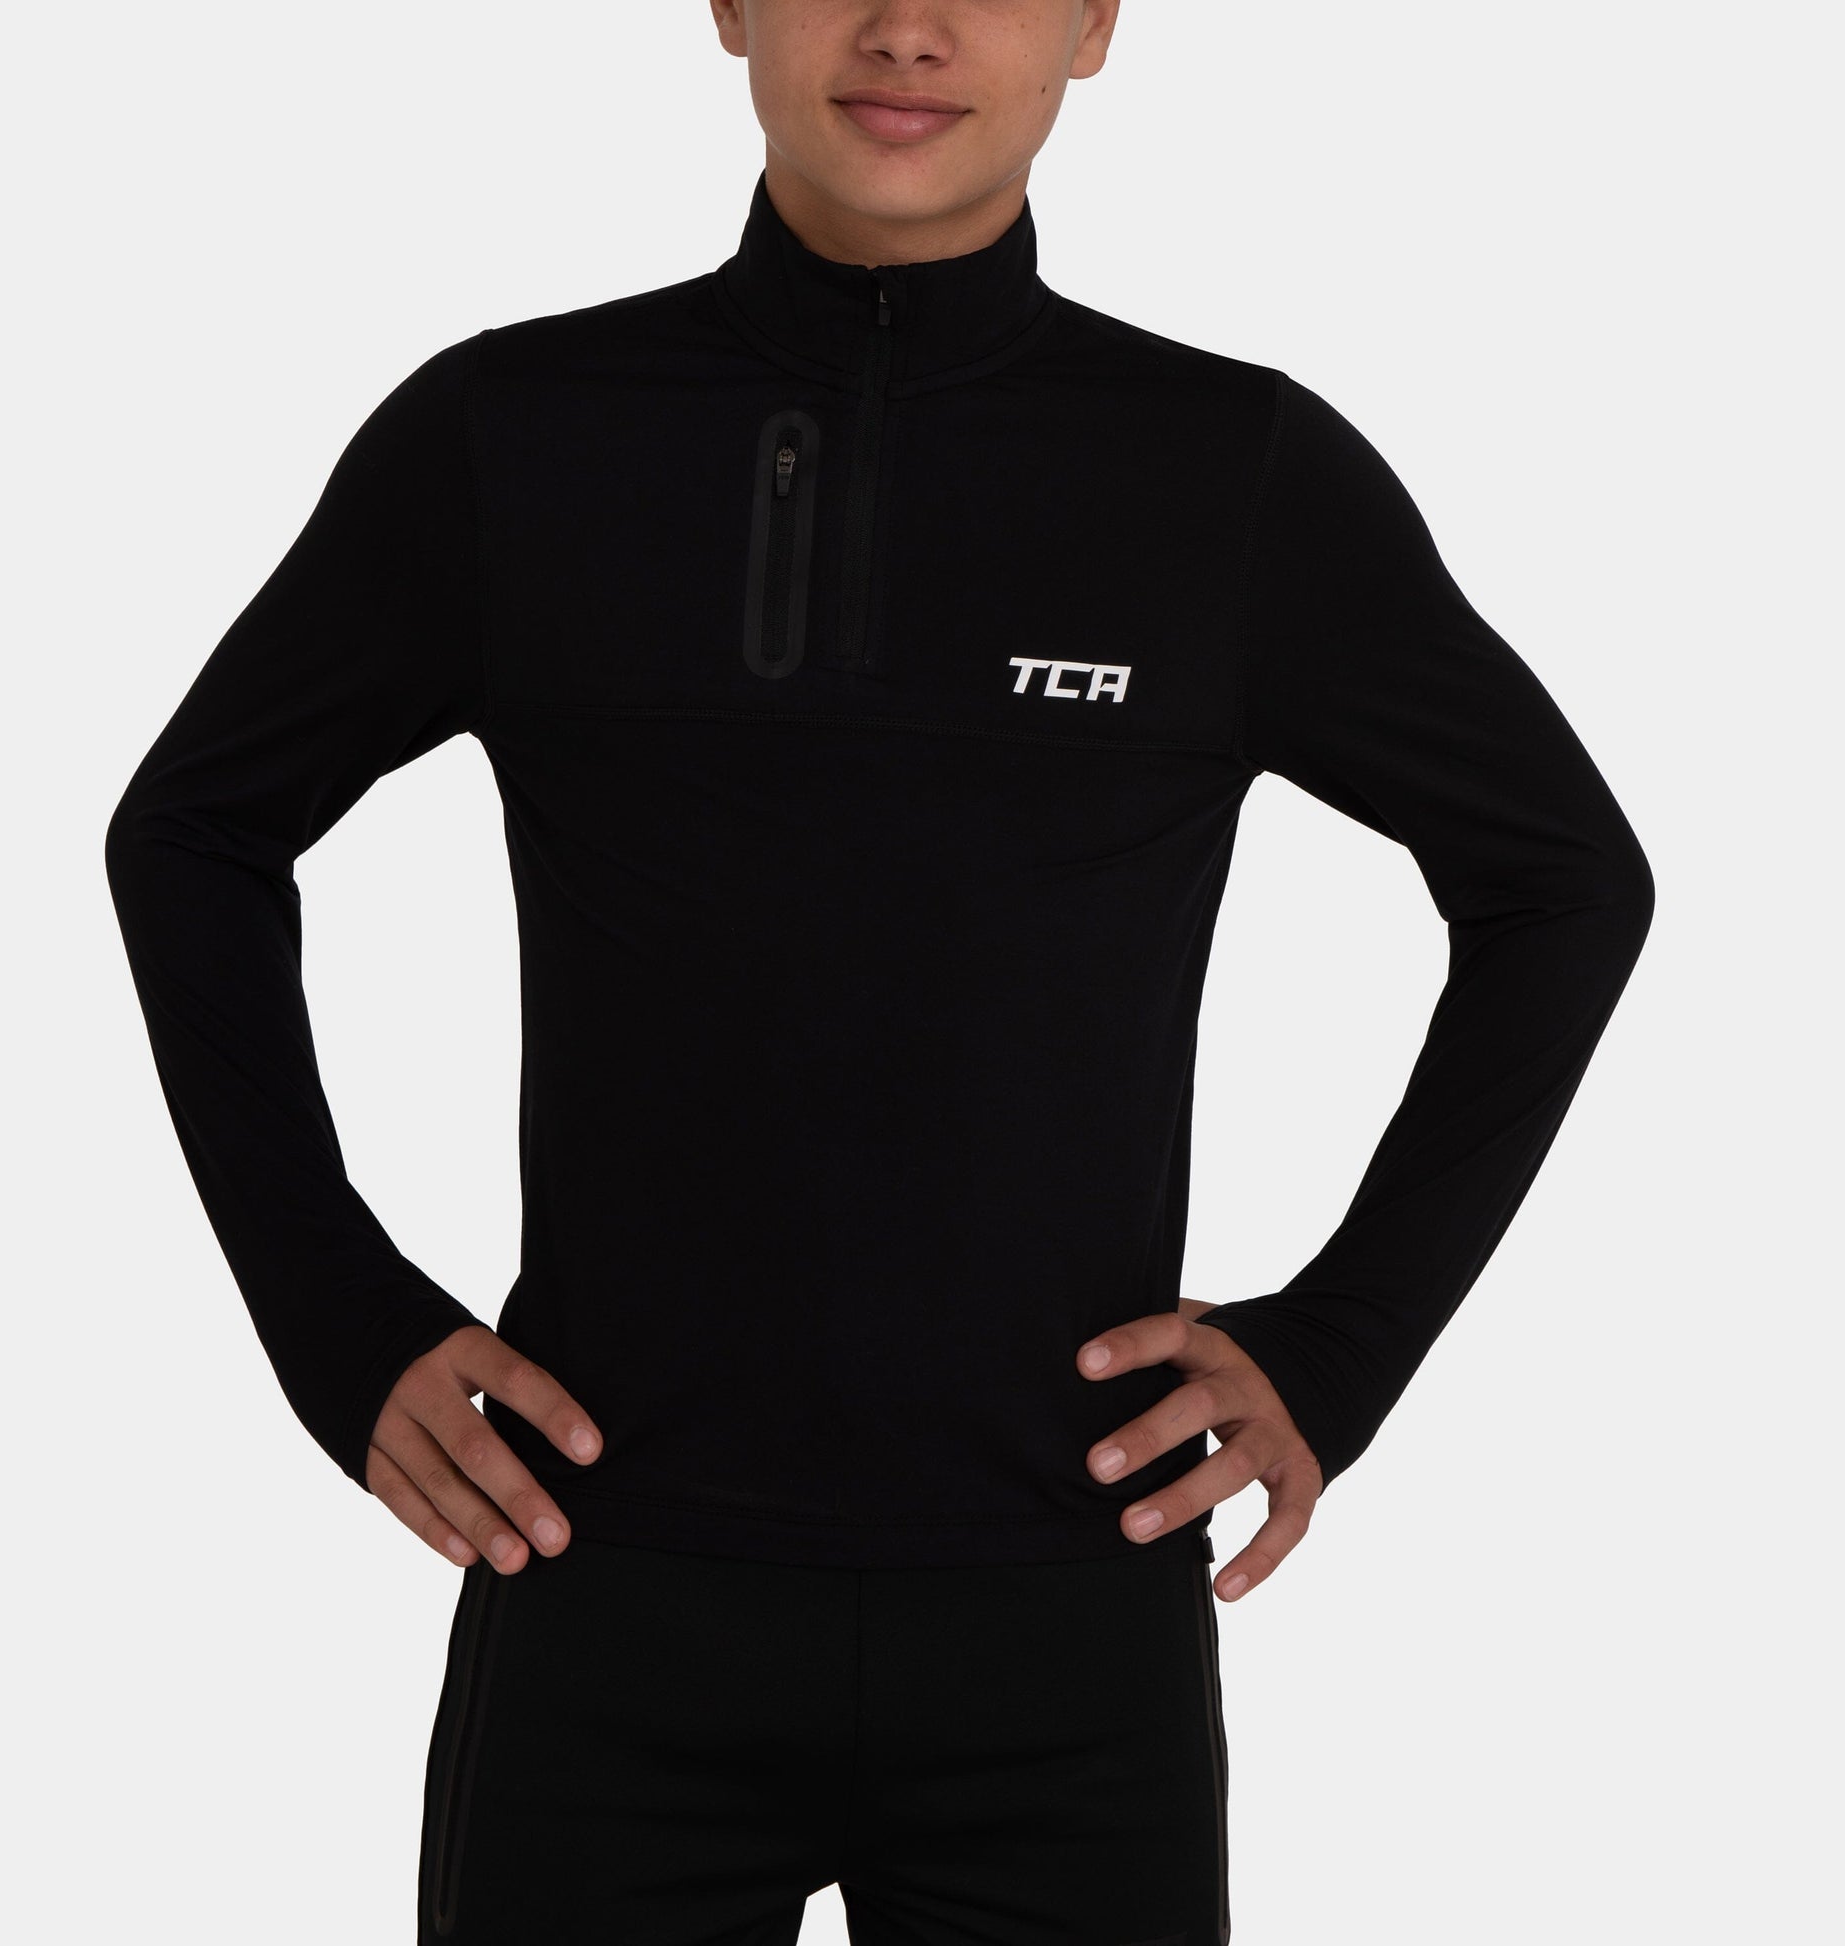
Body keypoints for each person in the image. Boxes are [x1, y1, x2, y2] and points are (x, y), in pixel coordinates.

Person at [103, 3, 1656, 1941]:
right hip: (606, 1582)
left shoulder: (1228, 468)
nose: (907, 28)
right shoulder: (515, 432)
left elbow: (1559, 881)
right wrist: (337, 1326)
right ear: (729, 3)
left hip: (1064, 1619)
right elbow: (193, 831)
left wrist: (1341, 1347)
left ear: (1092, 22)